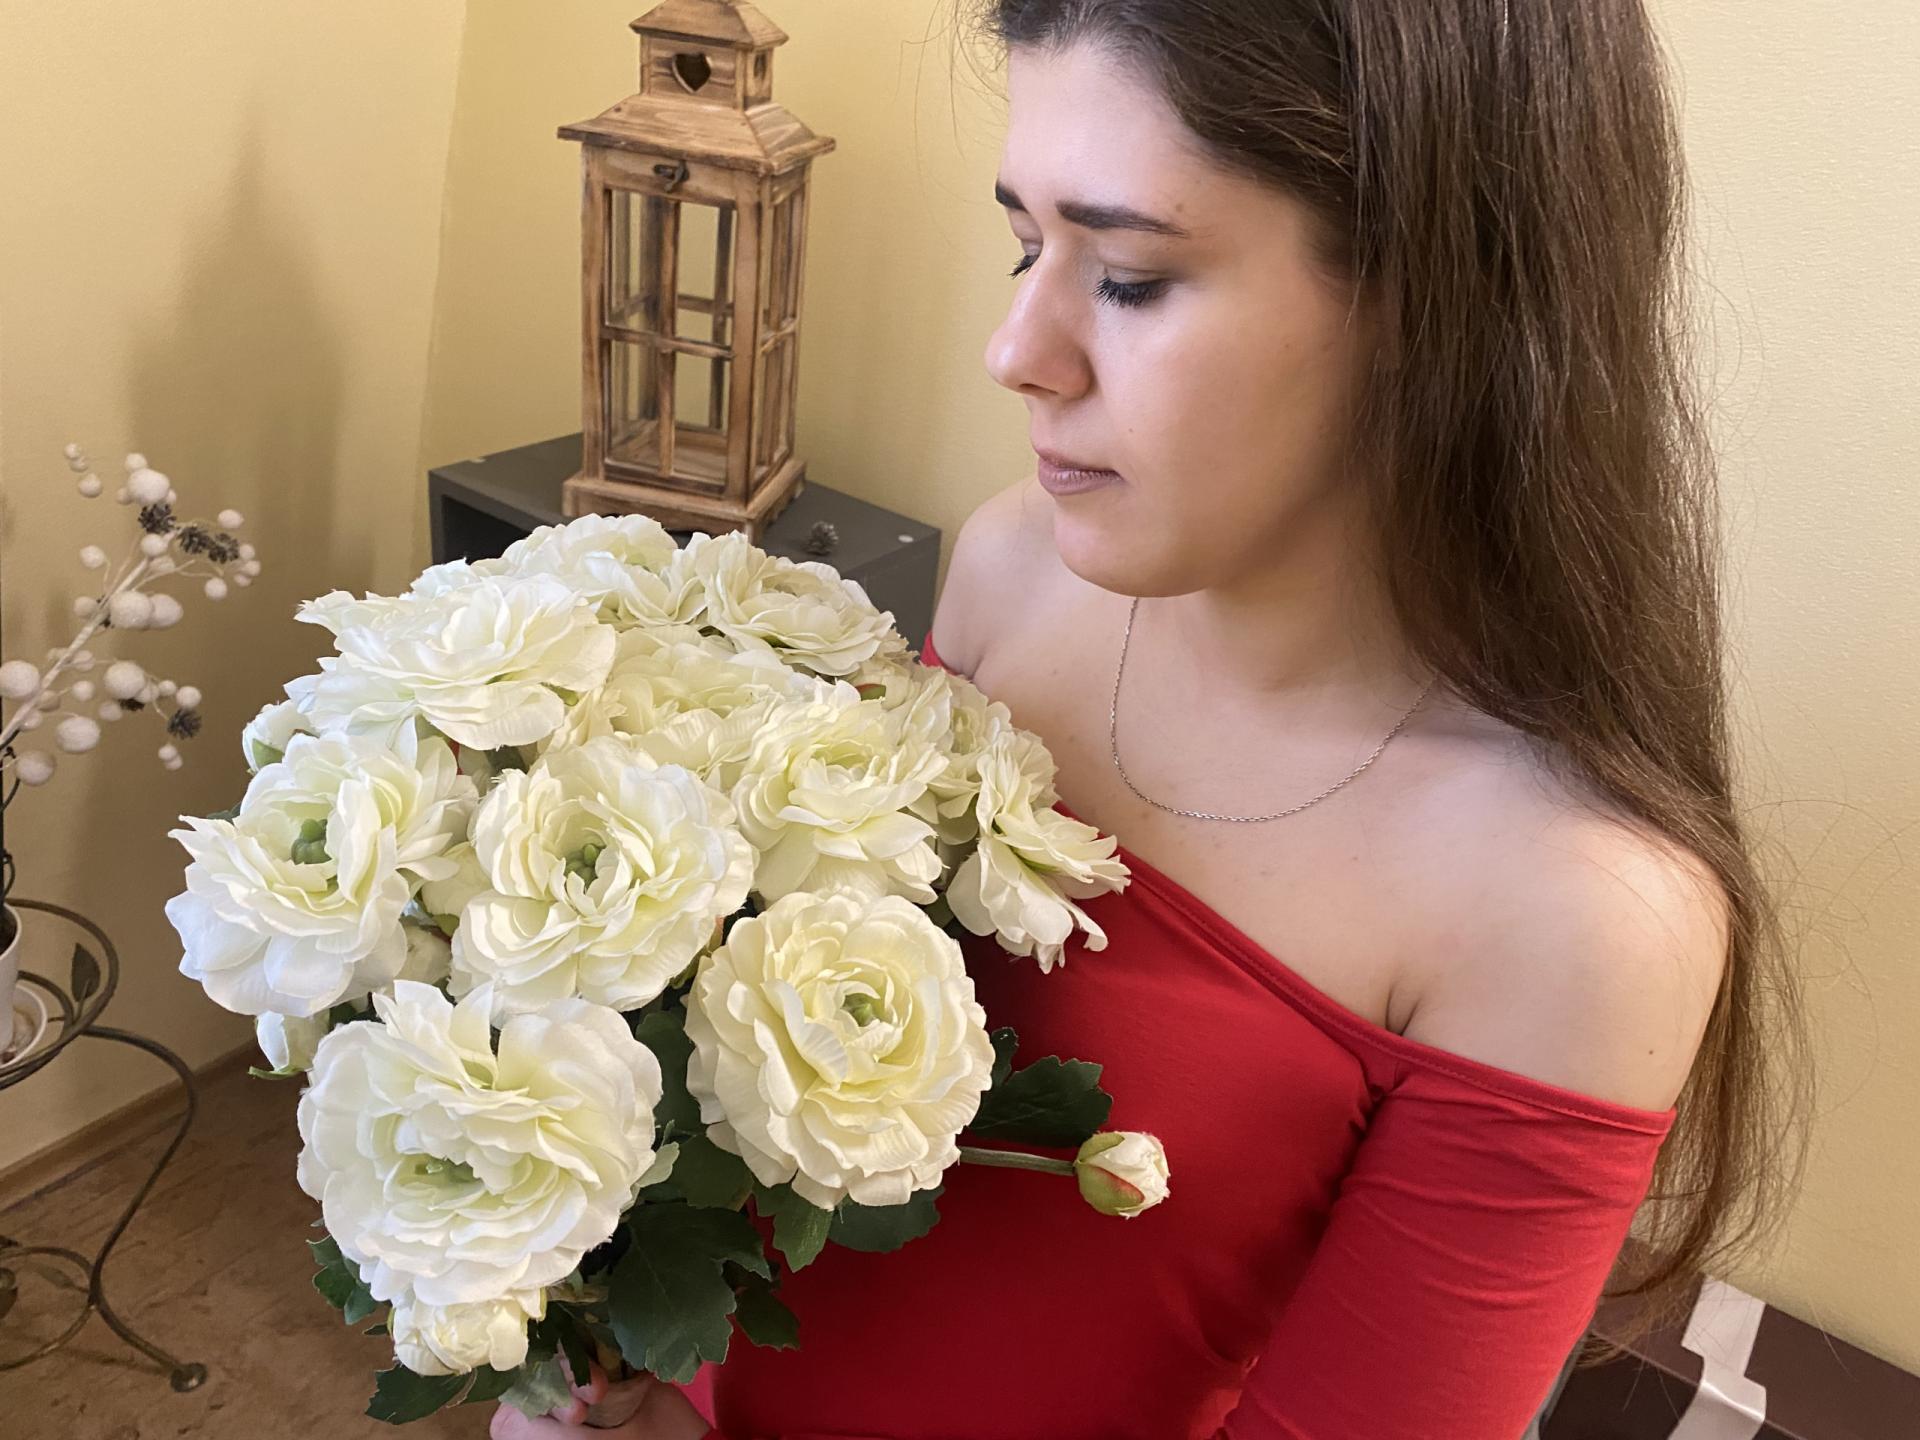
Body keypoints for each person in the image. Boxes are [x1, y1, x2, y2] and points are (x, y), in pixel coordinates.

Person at [495, 1, 1803, 1436]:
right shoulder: (1015, 567)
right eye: (1025, 247)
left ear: (1443, 302)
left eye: (1126, 277)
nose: (1016, 350)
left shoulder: (1577, 914)